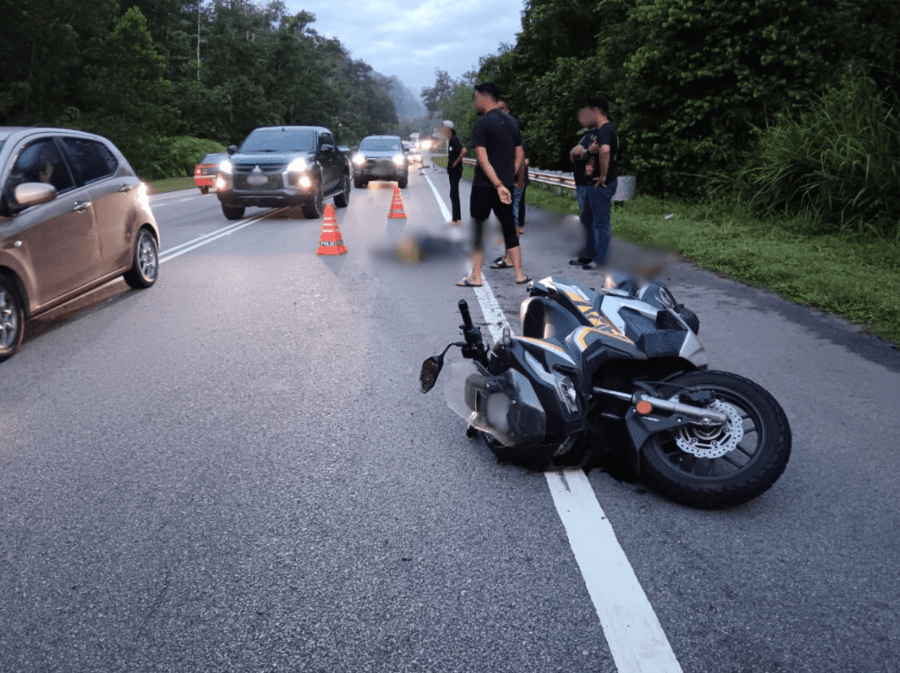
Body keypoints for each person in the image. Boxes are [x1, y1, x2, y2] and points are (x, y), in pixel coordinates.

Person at [457, 82, 529, 287]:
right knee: (509, 228)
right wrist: (507, 178)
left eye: (476, 97)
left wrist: (497, 183)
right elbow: (520, 154)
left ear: (485, 97)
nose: (475, 101)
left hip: (484, 186)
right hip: (506, 185)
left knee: (479, 229)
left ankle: (475, 277)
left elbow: (482, 158)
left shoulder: (482, 123)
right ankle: (519, 274)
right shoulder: (513, 123)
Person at [569, 95, 619, 270]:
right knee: (587, 219)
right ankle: (588, 255)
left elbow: (605, 150)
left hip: (601, 184)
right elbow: (580, 153)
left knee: (601, 222)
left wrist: (604, 175)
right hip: (591, 183)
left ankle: (601, 259)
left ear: (597, 111)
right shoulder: (596, 132)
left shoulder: (606, 129)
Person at [493, 98, 530, 269]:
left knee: (512, 220)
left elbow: (521, 158)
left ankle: (510, 258)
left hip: (515, 183)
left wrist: (519, 181)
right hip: (507, 183)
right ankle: (507, 254)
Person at [441, 120, 466, 225]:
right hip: (452, 171)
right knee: (453, 193)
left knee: (454, 193)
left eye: (445, 129)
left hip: (456, 171)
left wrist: (456, 162)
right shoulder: (451, 140)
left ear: (449, 130)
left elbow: (464, 150)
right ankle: (456, 218)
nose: (443, 131)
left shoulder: (454, 140)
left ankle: (457, 219)